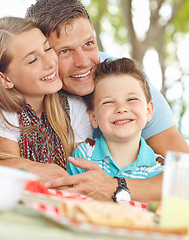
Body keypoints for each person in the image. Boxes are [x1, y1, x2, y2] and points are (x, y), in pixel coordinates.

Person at [22, 0, 189, 203]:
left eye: (89, 44)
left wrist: (116, 187)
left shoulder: (127, 84)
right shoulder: (24, 84)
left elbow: (185, 173)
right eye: (64, 51)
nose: (83, 62)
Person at [0, 16, 93, 175]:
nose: (50, 62)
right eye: (32, 60)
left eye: (47, 48)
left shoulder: (75, 109)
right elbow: (8, 174)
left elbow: (78, 171)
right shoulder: (1, 117)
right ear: (4, 78)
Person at [68, 58, 164, 183]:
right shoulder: (83, 156)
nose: (121, 108)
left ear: (148, 111)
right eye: (108, 102)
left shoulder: (159, 169)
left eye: (131, 99)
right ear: (93, 117)